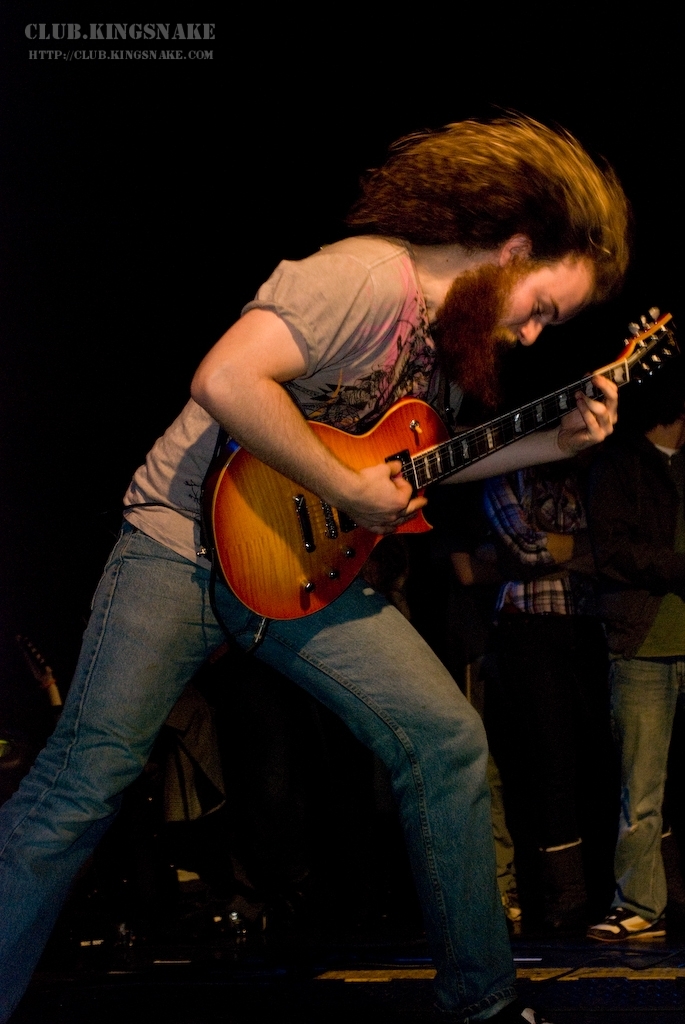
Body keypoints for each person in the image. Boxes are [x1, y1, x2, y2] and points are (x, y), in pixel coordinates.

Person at [0, 116, 628, 1023]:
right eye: (541, 308)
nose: (531, 335)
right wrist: (343, 487)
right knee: (81, 784)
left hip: (296, 574)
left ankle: (483, 1006)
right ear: (514, 249)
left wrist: (553, 442)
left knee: (445, 738)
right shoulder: (362, 277)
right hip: (179, 546)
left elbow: (411, 466)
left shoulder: (443, 345)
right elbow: (225, 379)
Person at [483, 463, 617, 934]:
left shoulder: (584, 474)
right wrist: (586, 550)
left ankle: (599, 888)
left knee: (597, 760)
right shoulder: (504, 475)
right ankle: (564, 897)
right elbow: (525, 547)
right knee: (549, 763)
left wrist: (572, 550)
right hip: (529, 629)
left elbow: (611, 546)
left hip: (587, 625)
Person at [586, 360, 685, 943]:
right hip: (643, 643)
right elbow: (615, 553)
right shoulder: (618, 465)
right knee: (641, 790)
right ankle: (640, 904)